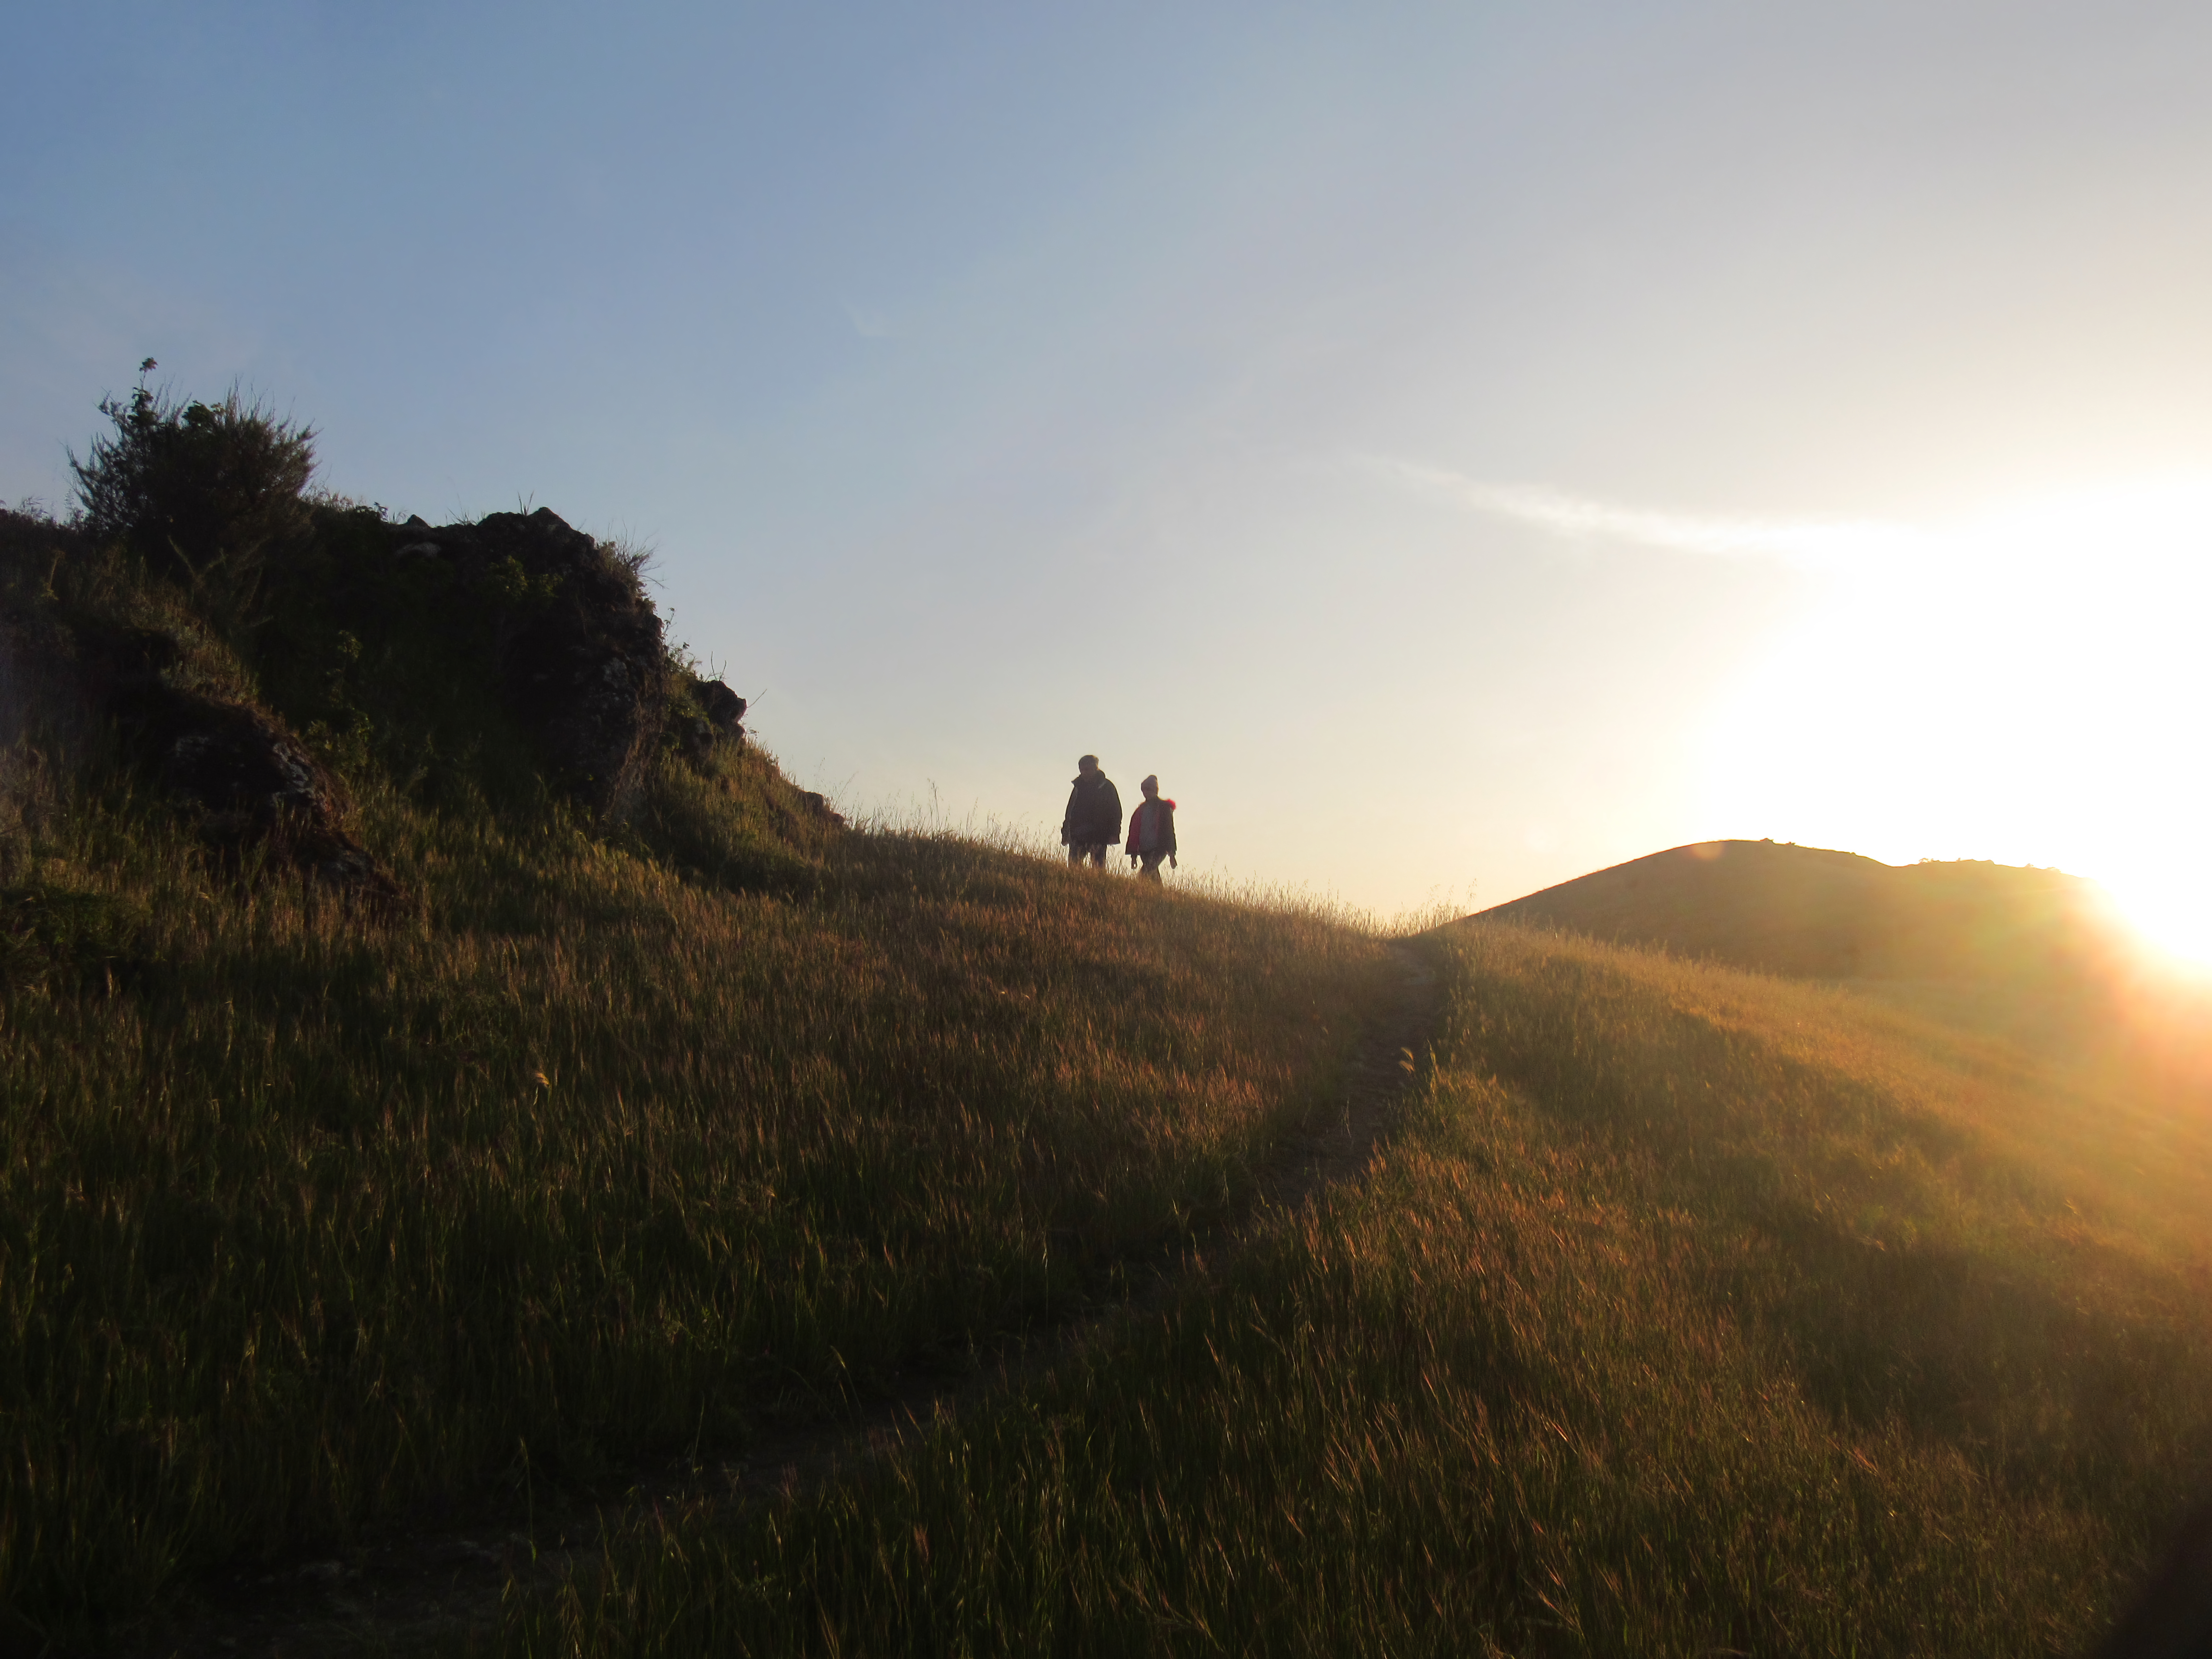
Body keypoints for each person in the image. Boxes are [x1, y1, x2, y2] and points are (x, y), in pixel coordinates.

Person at [1060, 754, 1122, 868]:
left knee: (1098, 868)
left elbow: (1116, 813)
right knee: (1074, 867)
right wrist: (1066, 832)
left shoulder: (1107, 787)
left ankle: (1098, 886)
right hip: (1077, 833)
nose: (1084, 772)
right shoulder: (1078, 787)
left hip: (1099, 834)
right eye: (1082, 769)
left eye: (1087, 769)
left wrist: (1115, 834)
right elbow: (1070, 812)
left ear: (1095, 768)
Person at [1125, 774, 1178, 883]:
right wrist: (1133, 855)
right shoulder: (1140, 810)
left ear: (1156, 790)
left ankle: (1141, 891)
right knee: (1153, 876)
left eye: (1149, 789)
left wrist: (1172, 854)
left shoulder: (1164, 808)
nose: (1147, 792)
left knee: (1145, 873)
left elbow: (1169, 831)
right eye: (1145, 790)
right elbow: (1134, 833)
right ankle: (1159, 897)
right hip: (1144, 849)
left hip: (1159, 848)